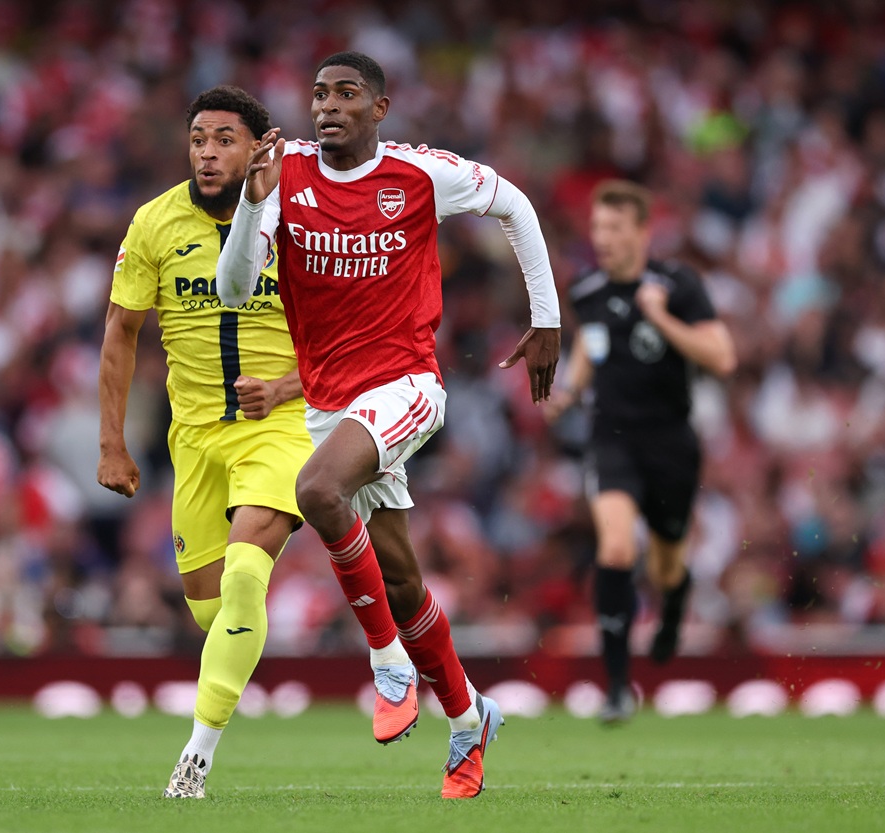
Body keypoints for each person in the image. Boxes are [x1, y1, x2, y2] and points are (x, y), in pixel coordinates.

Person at [216, 51, 561, 799]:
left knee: (317, 489)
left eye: (347, 94)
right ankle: (467, 718)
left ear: (379, 108)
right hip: (330, 406)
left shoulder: (420, 173)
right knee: (402, 581)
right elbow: (235, 289)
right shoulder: (284, 175)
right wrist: (250, 201)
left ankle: (387, 660)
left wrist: (547, 319)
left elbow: (517, 205)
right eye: (319, 94)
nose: (327, 106)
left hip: (408, 386)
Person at [98, 86, 313, 799]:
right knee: (209, 609)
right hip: (193, 437)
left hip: (279, 425)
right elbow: (121, 332)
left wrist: (282, 389)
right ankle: (239, 660)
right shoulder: (154, 222)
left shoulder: (301, 219)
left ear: (259, 147)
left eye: (225, 139)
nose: (208, 153)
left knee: (247, 575)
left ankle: (195, 757)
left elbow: (345, 340)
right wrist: (112, 443)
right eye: (198, 140)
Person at [544, 180, 737, 723]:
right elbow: (592, 343)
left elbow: (723, 358)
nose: (601, 238)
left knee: (666, 563)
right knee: (615, 550)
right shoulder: (586, 290)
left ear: (642, 232)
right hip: (612, 439)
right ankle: (616, 686)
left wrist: (662, 319)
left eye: (613, 227)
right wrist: (571, 392)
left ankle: (674, 600)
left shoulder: (678, 285)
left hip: (671, 443)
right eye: (596, 227)